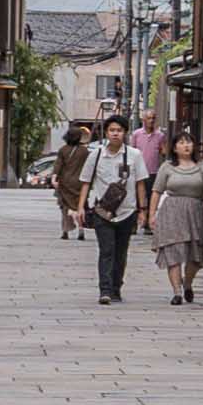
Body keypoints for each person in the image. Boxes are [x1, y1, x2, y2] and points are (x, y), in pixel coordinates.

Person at [81, 124, 145, 304]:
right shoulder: (96, 155)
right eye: (112, 130)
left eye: (119, 130)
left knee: (121, 252)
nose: (115, 133)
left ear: (125, 133)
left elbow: (140, 184)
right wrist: (81, 207)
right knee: (106, 250)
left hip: (127, 211)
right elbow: (86, 182)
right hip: (103, 212)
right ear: (107, 133)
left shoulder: (135, 155)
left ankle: (116, 287)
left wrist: (143, 210)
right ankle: (105, 290)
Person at [148, 137, 203, 305]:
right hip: (172, 212)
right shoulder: (167, 167)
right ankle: (177, 292)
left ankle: (187, 283)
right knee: (173, 251)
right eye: (181, 143)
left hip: (195, 212)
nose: (186, 146)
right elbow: (156, 191)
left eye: (189, 142)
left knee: (196, 255)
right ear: (175, 148)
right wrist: (151, 215)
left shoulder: (202, 166)